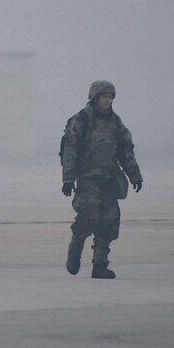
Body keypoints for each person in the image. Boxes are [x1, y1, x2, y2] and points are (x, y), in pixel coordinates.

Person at [58, 79, 143, 278]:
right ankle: (76, 248)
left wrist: (135, 175)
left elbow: (126, 151)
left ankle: (100, 265)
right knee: (88, 217)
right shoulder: (81, 120)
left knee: (109, 220)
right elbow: (70, 149)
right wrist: (68, 179)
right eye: (105, 96)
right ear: (95, 97)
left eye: (110, 96)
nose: (108, 100)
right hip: (88, 179)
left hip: (109, 179)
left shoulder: (115, 123)